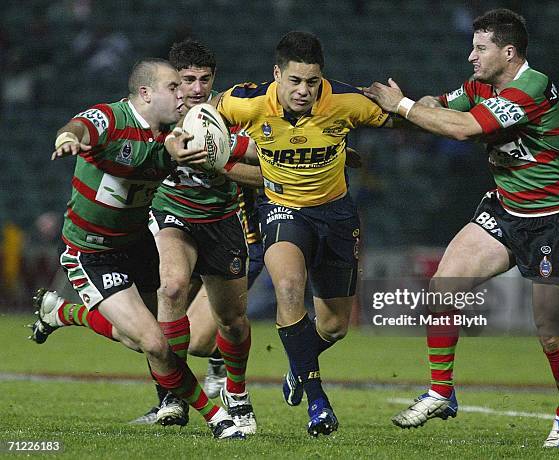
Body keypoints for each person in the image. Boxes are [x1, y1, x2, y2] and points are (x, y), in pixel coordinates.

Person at [364, 8, 559, 448]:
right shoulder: (481, 86)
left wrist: (404, 107)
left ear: (508, 51)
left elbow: (465, 128)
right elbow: (441, 108)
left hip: (553, 219)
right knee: (443, 285)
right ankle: (442, 391)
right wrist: (400, 107)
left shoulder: (532, 87)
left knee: (551, 331)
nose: (471, 56)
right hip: (506, 210)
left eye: (480, 48)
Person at [167, 31, 391, 437]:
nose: (304, 90)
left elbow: (405, 118)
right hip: (277, 213)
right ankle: (317, 402)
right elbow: (201, 122)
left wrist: (419, 106)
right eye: (295, 81)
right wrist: (181, 142)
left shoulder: (346, 102)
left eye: (312, 82)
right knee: (286, 287)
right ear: (277, 75)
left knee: (335, 326)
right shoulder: (240, 103)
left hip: (335, 214)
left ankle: (298, 364)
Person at [30, 58, 245, 440]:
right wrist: (67, 138)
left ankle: (61, 312)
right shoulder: (111, 119)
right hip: (93, 252)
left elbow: (230, 147)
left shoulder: (177, 132)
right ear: (145, 94)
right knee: (152, 342)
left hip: (138, 245)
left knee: (150, 339)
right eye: (174, 88)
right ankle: (215, 417)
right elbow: (80, 127)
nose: (184, 95)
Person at [140, 39, 260, 433]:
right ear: (173, 82)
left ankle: (237, 394)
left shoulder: (230, 117)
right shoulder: (157, 117)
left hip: (223, 221)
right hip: (173, 213)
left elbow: (266, 170)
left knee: (233, 322)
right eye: (187, 80)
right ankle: (171, 396)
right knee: (172, 288)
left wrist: (224, 157)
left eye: (204, 79)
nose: (196, 88)